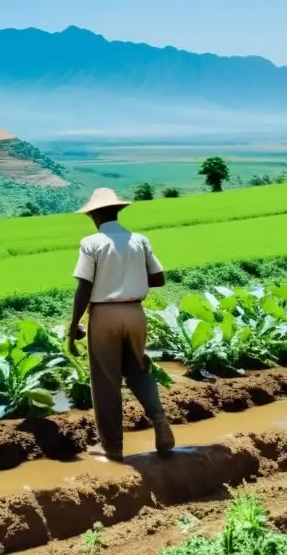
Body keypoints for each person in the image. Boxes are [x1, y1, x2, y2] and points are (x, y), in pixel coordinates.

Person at [68, 188, 175, 462]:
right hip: (135, 313)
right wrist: (131, 280)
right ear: (117, 211)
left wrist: (74, 324)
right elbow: (159, 278)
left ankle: (112, 448)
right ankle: (160, 420)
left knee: (106, 381)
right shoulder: (139, 240)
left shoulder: (91, 243)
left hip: (104, 314)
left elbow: (85, 286)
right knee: (139, 370)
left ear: (94, 214)